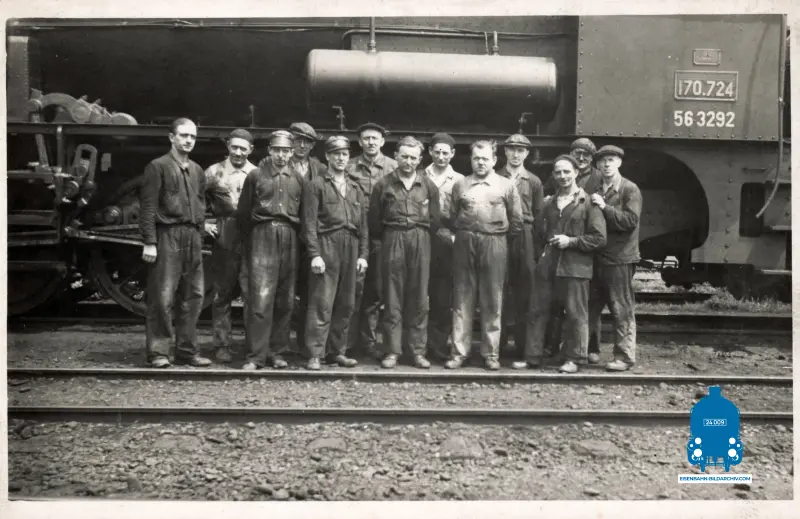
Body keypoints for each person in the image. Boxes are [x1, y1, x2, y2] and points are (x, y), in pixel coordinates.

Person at [513, 155, 606, 373]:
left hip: (576, 266)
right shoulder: (549, 203)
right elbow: (538, 233)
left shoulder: (589, 202)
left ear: (576, 173)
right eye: (558, 172)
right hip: (548, 265)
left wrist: (571, 241)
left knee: (575, 313)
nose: (562, 176)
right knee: (537, 309)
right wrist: (542, 257)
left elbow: (599, 238)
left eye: (566, 172)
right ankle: (532, 356)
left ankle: (575, 359)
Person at [445, 140, 523, 371]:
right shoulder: (460, 185)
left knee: (492, 299)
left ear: (494, 160)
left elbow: (516, 221)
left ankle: (490, 354)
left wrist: (496, 238)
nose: (481, 162)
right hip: (465, 241)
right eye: (476, 158)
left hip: (494, 241)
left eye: (485, 158)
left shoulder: (506, 186)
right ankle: (459, 353)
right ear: (471, 160)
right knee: (462, 298)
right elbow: (452, 216)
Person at [139, 117, 210, 368]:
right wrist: (150, 241)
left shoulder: (197, 171)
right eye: (183, 135)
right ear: (172, 137)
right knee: (163, 296)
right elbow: (148, 207)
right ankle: (159, 353)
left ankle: (187, 352)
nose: (189, 140)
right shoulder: (157, 167)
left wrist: (199, 236)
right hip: (167, 235)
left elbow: (201, 205)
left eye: (192, 136)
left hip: (192, 237)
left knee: (194, 296)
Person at [369, 136, 441, 369]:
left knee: (419, 296)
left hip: (420, 238)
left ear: (419, 160)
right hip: (393, 238)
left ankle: (417, 351)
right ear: (396, 157)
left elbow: (435, 220)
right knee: (392, 296)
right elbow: (374, 221)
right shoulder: (383, 185)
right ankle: (392, 351)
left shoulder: (428, 185)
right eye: (404, 157)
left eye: (413, 158)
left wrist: (420, 236)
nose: (408, 161)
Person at [237, 130, 304, 370]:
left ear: (292, 152)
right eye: (277, 150)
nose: (281, 155)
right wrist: (255, 239)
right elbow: (243, 214)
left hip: (289, 236)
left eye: (285, 151)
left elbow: (304, 215)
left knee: (285, 299)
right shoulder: (255, 176)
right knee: (260, 298)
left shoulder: (298, 179)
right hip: (262, 235)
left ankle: (277, 352)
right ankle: (256, 356)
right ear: (270, 151)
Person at [302, 136, 369, 370]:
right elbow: (309, 223)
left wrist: (363, 255)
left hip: (351, 245)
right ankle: (315, 354)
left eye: (344, 154)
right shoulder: (316, 185)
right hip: (327, 244)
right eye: (336, 154)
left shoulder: (355, 188)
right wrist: (314, 254)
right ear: (327, 156)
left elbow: (364, 227)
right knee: (322, 302)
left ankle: (337, 352)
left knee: (346, 303)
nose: (341, 158)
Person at [203, 128, 257, 363]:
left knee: (251, 293)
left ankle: (253, 347)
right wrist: (203, 223)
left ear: (250, 150)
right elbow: (195, 199)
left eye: (243, 148)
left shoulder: (256, 173)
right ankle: (222, 345)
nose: (238, 152)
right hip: (225, 235)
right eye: (234, 147)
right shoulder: (213, 172)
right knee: (222, 293)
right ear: (228, 146)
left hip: (251, 236)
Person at [587, 145, 642, 371]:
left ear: (619, 163)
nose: (607, 164)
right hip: (597, 256)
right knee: (590, 306)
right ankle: (587, 351)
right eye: (603, 161)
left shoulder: (629, 189)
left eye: (611, 160)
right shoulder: (595, 188)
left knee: (621, 309)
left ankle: (624, 357)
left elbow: (630, 221)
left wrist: (604, 207)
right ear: (598, 165)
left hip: (620, 258)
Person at [346, 122, 398, 359]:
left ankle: (368, 343)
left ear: (382, 142)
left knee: (374, 293)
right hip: (353, 235)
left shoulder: (393, 167)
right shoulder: (349, 166)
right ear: (360, 142)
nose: (370, 142)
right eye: (366, 138)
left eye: (375, 138)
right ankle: (346, 343)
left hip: (380, 236)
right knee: (351, 290)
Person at [497, 134, 544, 360]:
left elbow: (539, 216)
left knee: (526, 290)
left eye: (520, 150)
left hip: (525, 234)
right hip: (501, 232)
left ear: (527, 154)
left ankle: (523, 346)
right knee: (500, 287)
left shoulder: (533, 181)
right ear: (505, 151)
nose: (516, 154)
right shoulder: (496, 177)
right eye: (512, 149)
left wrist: (536, 249)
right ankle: (497, 345)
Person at [286, 122, 327, 357]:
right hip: (286, 231)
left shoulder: (319, 168)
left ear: (312, 146)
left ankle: (305, 343)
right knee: (284, 289)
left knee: (310, 291)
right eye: (297, 140)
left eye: (307, 142)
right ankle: (279, 344)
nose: (301, 145)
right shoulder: (277, 163)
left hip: (311, 236)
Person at [423, 133, 464, 361]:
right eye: (437, 152)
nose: (440, 156)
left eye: (445, 153)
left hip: (447, 239)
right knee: (419, 292)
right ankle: (417, 344)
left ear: (453, 154)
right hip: (422, 235)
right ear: (430, 152)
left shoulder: (460, 180)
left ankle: (437, 344)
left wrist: (455, 236)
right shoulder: (420, 175)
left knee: (442, 295)